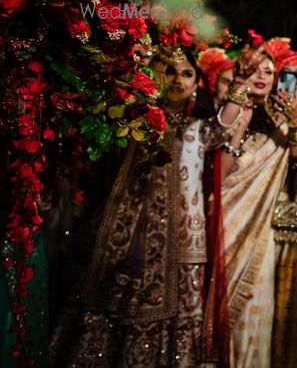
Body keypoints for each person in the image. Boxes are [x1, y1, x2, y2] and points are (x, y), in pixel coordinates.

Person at [50, 47, 216, 367]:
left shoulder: (196, 128)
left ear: (197, 83)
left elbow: (222, 127)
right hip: (124, 233)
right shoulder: (132, 116)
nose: (177, 80)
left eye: (186, 73)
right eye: (169, 71)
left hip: (173, 243)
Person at [204, 42, 297, 368]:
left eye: (269, 72)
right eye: (254, 69)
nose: (261, 76)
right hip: (227, 223)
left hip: (261, 234)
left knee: (258, 306)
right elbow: (220, 174)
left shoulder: (281, 121)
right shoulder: (229, 113)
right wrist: (237, 120)